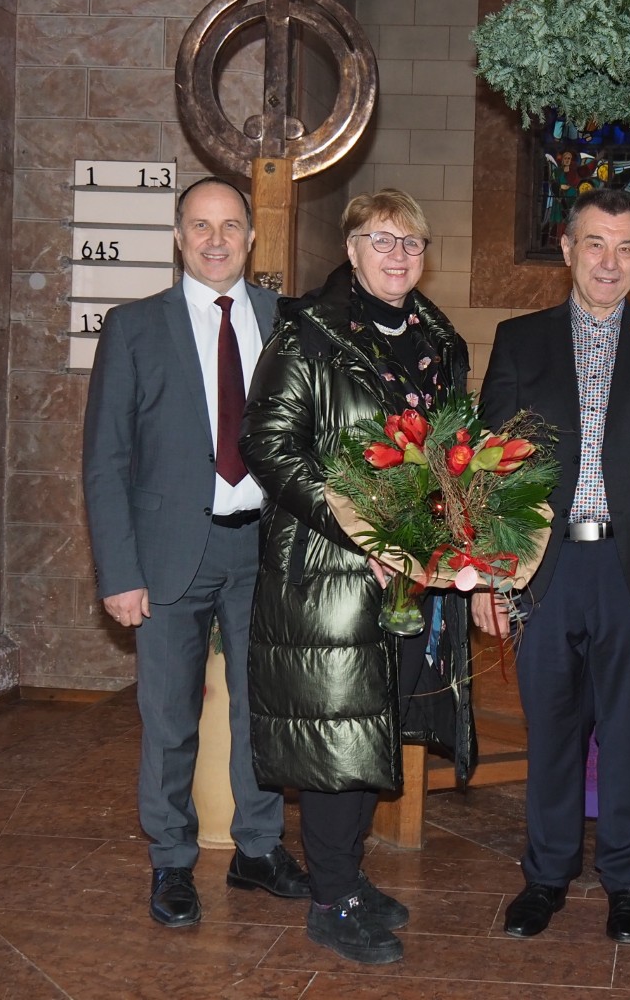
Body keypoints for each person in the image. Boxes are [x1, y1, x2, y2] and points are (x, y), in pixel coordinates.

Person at [240, 188, 476, 966]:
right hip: (327, 570)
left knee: (373, 728)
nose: (398, 256)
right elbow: (268, 447)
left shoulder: (438, 339)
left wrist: (455, 534)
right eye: (382, 241)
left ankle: (347, 876)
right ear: (351, 249)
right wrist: (360, 527)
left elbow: (449, 452)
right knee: (335, 733)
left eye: (411, 243)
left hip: (408, 573)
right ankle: (331, 899)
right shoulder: (307, 334)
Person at [472, 188, 630, 946]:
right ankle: (545, 877)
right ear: (567, 250)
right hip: (544, 567)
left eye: (627, 246)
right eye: (596, 244)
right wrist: (493, 574)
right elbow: (487, 472)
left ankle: (627, 883)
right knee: (553, 730)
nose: (611, 261)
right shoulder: (519, 339)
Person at [82, 177, 311, 928]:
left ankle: (257, 849)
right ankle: (172, 860)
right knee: (170, 715)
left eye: (231, 226)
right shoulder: (134, 328)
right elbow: (105, 461)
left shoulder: (287, 320)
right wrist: (118, 572)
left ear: (251, 237)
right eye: (200, 226)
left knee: (264, 711)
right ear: (179, 237)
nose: (216, 240)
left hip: (265, 553)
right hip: (169, 551)